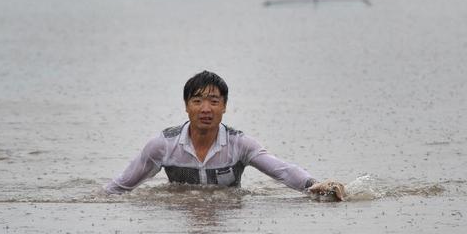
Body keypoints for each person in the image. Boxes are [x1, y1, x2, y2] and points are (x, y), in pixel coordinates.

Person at [102, 71, 345, 200]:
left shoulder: (239, 144)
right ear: (186, 106)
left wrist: (314, 186)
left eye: (214, 101)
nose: (205, 109)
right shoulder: (163, 146)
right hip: (180, 215)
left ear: (224, 106)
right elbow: (120, 187)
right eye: (197, 101)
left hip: (229, 212)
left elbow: (281, 170)